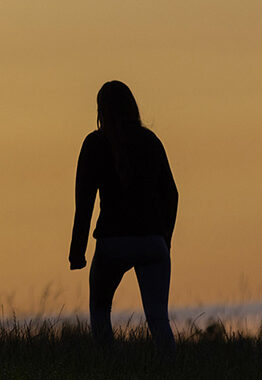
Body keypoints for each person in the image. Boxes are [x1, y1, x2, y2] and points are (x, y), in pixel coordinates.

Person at [68, 81, 179, 353]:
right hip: (152, 242)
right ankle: (172, 369)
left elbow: (84, 203)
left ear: (100, 110)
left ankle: (111, 365)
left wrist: (77, 251)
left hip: (112, 243)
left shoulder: (94, 143)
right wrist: (165, 240)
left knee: (100, 310)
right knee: (158, 320)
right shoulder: (150, 141)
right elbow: (172, 195)